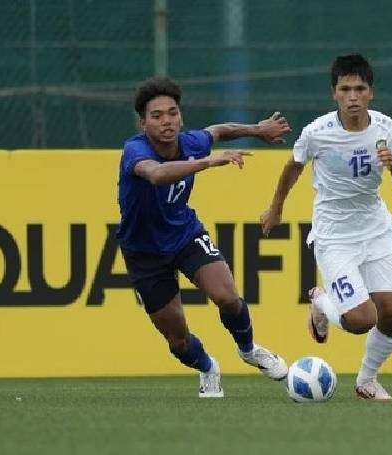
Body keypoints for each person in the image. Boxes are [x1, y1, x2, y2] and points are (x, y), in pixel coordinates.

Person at [117, 76, 291, 398]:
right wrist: (208, 162)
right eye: (156, 116)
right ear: (143, 122)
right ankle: (208, 367)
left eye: (172, 113)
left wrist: (258, 130)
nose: (166, 121)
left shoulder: (191, 141)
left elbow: (219, 131)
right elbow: (156, 174)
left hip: (184, 234)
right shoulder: (135, 150)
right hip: (144, 252)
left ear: (180, 116)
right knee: (178, 340)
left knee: (227, 296)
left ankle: (249, 349)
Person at [260, 54, 392, 400]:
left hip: (375, 230)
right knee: (361, 320)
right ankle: (322, 301)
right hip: (334, 237)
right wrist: (276, 208)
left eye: (360, 88)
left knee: (391, 313)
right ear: (334, 93)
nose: (353, 96)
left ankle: (367, 381)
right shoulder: (318, 132)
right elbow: (293, 166)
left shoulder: (386, 129)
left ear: (371, 92)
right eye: (345, 89)